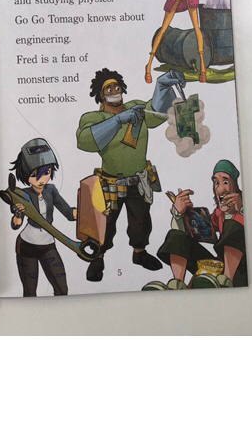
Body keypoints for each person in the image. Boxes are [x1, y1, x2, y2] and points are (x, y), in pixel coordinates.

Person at [76, 67, 183, 282]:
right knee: (104, 224)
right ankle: (98, 258)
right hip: (110, 183)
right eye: (108, 88)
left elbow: (156, 114)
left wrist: (161, 86)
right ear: (100, 94)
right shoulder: (93, 117)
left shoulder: (136, 108)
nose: (114, 91)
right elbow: (85, 140)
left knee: (141, 220)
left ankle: (139, 253)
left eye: (117, 86)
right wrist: (117, 121)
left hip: (139, 180)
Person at [145, 159, 247, 290]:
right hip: (220, 268)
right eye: (216, 182)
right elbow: (198, 231)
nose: (220, 189)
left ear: (235, 186)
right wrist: (181, 213)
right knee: (177, 235)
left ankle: (226, 281)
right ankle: (177, 285)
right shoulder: (218, 215)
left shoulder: (248, 208)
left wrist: (242, 210)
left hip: (242, 272)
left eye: (225, 182)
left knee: (233, 226)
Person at [9, 139, 76, 296]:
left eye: (46, 173)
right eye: (34, 175)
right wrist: (18, 214)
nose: (41, 180)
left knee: (62, 290)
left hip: (48, 245)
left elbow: (69, 213)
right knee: (30, 293)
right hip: (26, 246)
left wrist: (94, 212)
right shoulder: (22, 195)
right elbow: (16, 224)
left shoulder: (51, 191)